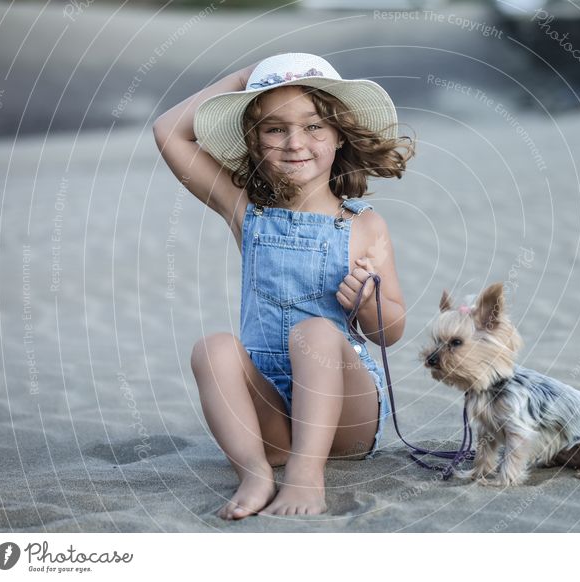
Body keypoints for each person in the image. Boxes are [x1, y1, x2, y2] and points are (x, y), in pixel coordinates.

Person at [153, 53, 415, 519]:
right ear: (254, 142)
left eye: (314, 127)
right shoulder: (244, 211)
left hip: (345, 418)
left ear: (339, 136)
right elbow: (169, 132)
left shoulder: (363, 225)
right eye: (275, 129)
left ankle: (306, 476)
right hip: (272, 419)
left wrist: (369, 303)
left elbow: (390, 332)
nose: (296, 142)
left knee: (314, 333)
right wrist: (246, 77)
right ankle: (255, 472)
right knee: (212, 349)